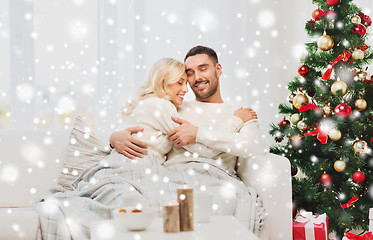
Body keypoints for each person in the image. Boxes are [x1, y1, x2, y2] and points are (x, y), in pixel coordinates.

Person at [36, 57, 258, 239]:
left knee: (144, 211)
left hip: (145, 167)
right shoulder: (162, 107)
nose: (185, 89)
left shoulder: (159, 105)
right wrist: (235, 122)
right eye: (180, 82)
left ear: (218, 70)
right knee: (139, 210)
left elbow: (250, 146)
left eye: (185, 82)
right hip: (135, 165)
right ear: (163, 82)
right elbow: (203, 150)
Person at [110, 45, 266, 178]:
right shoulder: (175, 106)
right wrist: (113, 139)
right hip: (172, 178)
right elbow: (144, 127)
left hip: (217, 178)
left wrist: (198, 133)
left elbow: (256, 147)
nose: (197, 77)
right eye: (190, 73)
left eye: (203, 69)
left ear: (218, 70)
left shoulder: (238, 113)